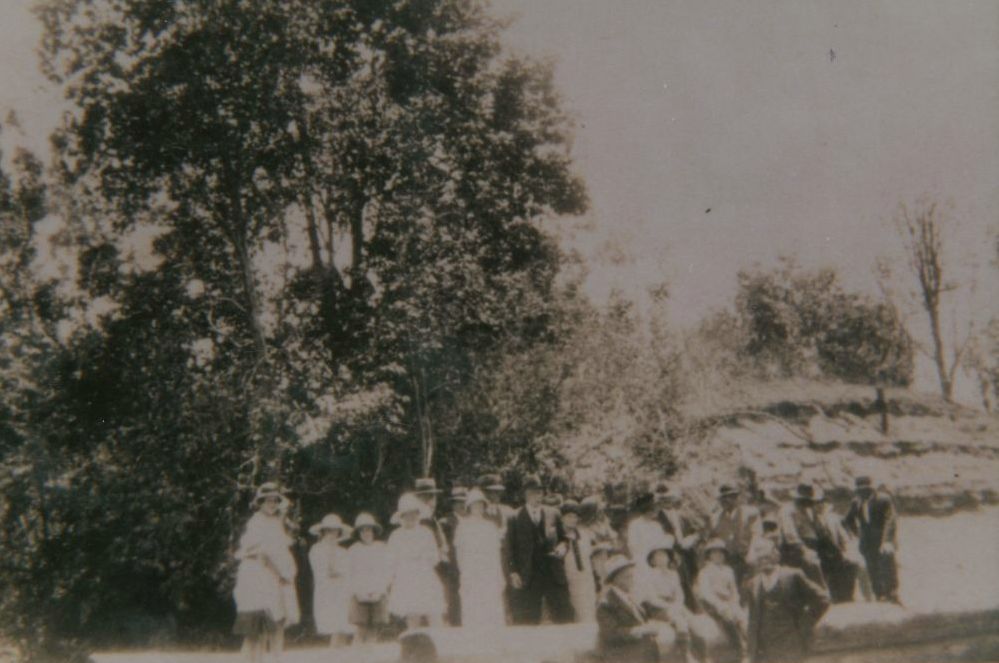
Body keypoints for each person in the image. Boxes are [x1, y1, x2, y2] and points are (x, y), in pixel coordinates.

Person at [232, 483, 300, 663]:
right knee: (256, 627)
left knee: (277, 623)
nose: (272, 504)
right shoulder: (257, 522)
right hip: (258, 577)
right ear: (260, 503)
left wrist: (285, 575)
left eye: (275, 501)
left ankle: (276, 659)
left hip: (273, 578)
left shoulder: (276, 523)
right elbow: (265, 555)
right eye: (267, 501)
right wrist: (281, 574)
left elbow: (280, 550)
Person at [505, 474, 573, 624]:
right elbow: (509, 548)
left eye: (539, 492)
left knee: (564, 617)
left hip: (553, 572)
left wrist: (562, 548)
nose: (536, 496)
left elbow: (564, 538)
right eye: (531, 493)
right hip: (529, 575)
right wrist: (513, 571)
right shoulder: (514, 517)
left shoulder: (553, 513)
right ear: (525, 495)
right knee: (527, 620)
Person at [746, 546, 830, 663]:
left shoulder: (792, 575)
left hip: (791, 641)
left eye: (767, 557)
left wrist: (807, 620)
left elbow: (823, 599)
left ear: (776, 557)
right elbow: (753, 618)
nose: (764, 561)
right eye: (760, 559)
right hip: (765, 647)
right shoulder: (752, 584)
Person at [596, 555, 676, 663]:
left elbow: (649, 611)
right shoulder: (606, 603)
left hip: (644, 652)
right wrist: (641, 630)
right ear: (616, 579)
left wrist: (670, 616)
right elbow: (611, 634)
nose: (633, 580)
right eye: (628, 577)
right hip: (625, 656)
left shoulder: (629, 596)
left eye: (632, 576)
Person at [387, 492, 447, 629]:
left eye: (414, 513)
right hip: (406, 578)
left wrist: (422, 559)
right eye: (407, 514)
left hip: (425, 575)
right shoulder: (396, 536)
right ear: (402, 516)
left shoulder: (426, 532)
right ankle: (414, 644)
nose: (411, 517)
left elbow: (434, 557)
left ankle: (438, 643)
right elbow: (390, 561)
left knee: (433, 612)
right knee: (412, 613)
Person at [640, 535, 698, 663]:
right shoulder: (649, 575)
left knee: (694, 621)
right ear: (652, 560)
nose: (661, 559)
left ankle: (698, 652)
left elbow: (679, 594)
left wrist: (678, 604)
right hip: (658, 608)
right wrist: (670, 607)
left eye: (664, 555)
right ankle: (685, 654)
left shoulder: (673, 574)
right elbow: (651, 597)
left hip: (674, 605)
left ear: (669, 558)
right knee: (679, 621)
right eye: (657, 556)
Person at [453, 488, 506, 629]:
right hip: (471, 573)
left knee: (491, 608)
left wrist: (499, 575)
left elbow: (496, 554)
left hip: (489, 573)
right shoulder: (463, 527)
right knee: (472, 608)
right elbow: (460, 554)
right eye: (475, 504)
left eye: (481, 504)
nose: (478, 507)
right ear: (469, 507)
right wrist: (465, 573)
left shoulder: (490, 526)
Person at [842, 476, 900, 603]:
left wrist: (886, 541)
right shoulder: (856, 502)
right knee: (872, 568)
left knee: (888, 566)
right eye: (860, 490)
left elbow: (890, 520)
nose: (863, 493)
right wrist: (858, 534)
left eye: (866, 490)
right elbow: (847, 520)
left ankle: (893, 594)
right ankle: (879, 596)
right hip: (867, 543)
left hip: (883, 540)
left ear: (872, 489)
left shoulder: (883, 499)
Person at [695, 538, 749, 663]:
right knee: (728, 617)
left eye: (721, 553)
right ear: (709, 555)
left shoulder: (728, 570)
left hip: (729, 603)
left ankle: (749, 646)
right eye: (714, 553)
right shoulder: (704, 572)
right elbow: (706, 593)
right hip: (713, 605)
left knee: (742, 617)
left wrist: (735, 603)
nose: (718, 555)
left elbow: (734, 591)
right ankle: (740, 648)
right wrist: (721, 606)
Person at [413, 478, 456, 624]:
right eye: (426, 497)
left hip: (440, 570)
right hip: (427, 571)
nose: (431, 501)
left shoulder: (432, 519)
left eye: (433, 496)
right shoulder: (419, 522)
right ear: (418, 499)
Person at [654, 483, 702, 611]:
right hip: (671, 556)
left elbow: (696, 531)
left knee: (693, 582)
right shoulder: (656, 519)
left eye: (668, 498)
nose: (666, 502)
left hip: (688, 554)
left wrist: (691, 539)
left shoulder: (682, 515)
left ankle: (697, 610)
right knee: (678, 584)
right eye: (662, 499)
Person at [308, 513, 353, 645]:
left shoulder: (343, 552)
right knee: (333, 627)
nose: (332, 534)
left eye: (335, 531)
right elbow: (326, 572)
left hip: (343, 592)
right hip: (327, 593)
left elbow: (348, 574)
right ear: (322, 532)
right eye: (328, 531)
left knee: (344, 628)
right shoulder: (316, 550)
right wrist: (338, 572)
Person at [347, 513, 391, 644]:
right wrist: (358, 592)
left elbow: (388, 571)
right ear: (359, 533)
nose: (366, 533)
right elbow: (349, 575)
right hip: (360, 594)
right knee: (361, 628)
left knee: (374, 628)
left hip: (378, 592)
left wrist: (381, 590)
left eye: (369, 529)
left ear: (373, 531)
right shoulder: (353, 550)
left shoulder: (382, 548)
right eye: (363, 530)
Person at [707, 484, 761, 590]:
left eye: (730, 497)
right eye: (723, 498)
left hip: (748, 555)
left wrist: (752, 552)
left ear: (736, 498)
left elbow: (757, 534)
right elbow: (713, 539)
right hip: (729, 558)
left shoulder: (751, 512)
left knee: (752, 586)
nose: (725, 500)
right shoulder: (716, 518)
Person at [478, 473, 516, 624]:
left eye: (497, 492)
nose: (494, 496)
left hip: (508, 563)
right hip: (487, 565)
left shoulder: (509, 512)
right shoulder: (477, 514)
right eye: (489, 492)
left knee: (510, 601)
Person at [776, 483, 827, 588]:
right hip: (794, 549)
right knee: (813, 565)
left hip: (813, 545)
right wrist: (804, 550)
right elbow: (790, 535)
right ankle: (822, 595)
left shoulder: (808, 510)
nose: (810, 503)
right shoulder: (787, 510)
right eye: (808, 500)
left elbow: (819, 531)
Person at [561, 500, 598, 622]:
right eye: (569, 516)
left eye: (575, 517)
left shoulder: (583, 535)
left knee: (588, 610)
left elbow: (588, 556)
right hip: (569, 579)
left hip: (585, 578)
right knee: (574, 612)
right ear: (562, 518)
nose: (573, 520)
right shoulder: (558, 536)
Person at [441, 486, 467, 626]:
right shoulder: (445, 522)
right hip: (453, 570)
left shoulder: (472, 521)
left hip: (470, 569)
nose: (462, 505)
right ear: (453, 504)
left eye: (464, 502)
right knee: (455, 605)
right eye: (458, 502)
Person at [625, 492, 664, 574]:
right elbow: (633, 547)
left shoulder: (657, 526)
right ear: (647, 510)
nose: (657, 511)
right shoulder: (635, 525)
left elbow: (662, 544)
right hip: (643, 562)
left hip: (658, 560)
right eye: (654, 508)